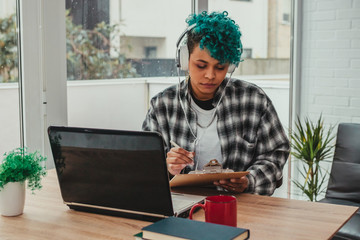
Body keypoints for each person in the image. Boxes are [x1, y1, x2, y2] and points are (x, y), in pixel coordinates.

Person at [142, 11, 290, 195]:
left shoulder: (253, 99)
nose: (210, 75)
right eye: (201, 65)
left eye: (220, 67)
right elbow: (146, 167)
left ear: (231, 65)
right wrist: (167, 167)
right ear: (184, 60)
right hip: (183, 206)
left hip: (240, 204)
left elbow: (276, 153)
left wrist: (248, 181)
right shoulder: (162, 105)